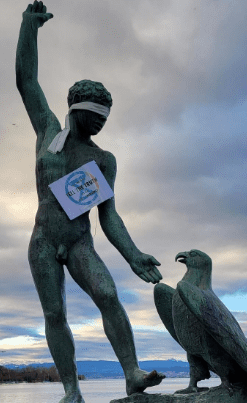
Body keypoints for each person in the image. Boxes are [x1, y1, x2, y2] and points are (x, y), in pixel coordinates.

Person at [16, 2, 166, 402]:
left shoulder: (103, 160)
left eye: (107, 117)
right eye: (97, 114)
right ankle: (71, 390)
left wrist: (132, 254)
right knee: (54, 314)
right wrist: (28, 27)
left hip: (81, 241)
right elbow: (26, 81)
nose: (102, 122)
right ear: (77, 110)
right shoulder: (48, 131)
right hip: (44, 240)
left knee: (108, 295)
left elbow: (109, 216)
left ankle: (131, 372)